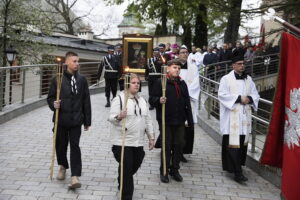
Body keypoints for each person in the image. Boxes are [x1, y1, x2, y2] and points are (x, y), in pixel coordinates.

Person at [47, 51, 91, 189]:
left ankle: (75, 176)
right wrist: (54, 104)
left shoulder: (82, 80)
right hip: (61, 119)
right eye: (74, 61)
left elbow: (86, 101)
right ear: (66, 62)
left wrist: (87, 121)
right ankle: (62, 166)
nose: (77, 64)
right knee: (60, 145)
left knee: (75, 147)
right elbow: (50, 97)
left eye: (78, 61)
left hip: (76, 120)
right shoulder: (57, 79)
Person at [109, 73, 155, 200]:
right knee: (127, 168)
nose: (137, 85)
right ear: (127, 84)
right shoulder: (119, 99)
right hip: (122, 142)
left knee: (135, 163)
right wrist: (119, 116)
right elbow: (111, 118)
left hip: (138, 141)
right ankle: (126, 196)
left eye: (138, 83)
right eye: (134, 83)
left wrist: (151, 137)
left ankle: (122, 177)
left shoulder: (142, 100)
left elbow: (148, 120)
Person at [149, 59, 193, 183]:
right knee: (167, 146)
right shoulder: (160, 82)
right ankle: (164, 171)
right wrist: (159, 100)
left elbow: (187, 103)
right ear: (168, 68)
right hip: (166, 120)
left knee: (179, 145)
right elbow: (151, 99)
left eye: (179, 68)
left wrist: (190, 120)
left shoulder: (182, 83)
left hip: (179, 120)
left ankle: (175, 169)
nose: (177, 70)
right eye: (174, 67)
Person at [218, 56, 259, 184]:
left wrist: (250, 99)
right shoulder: (226, 79)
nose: (242, 66)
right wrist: (239, 98)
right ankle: (237, 172)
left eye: (243, 63)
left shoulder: (248, 79)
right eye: (239, 64)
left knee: (241, 145)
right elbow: (222, 95)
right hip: (232, 118)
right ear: (233, 65)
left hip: (244, 117)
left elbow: (255, 94)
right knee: (233, 145)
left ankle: (238, 167)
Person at [178, 47, 199, 161]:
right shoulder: (174, 66)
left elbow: (196, 84)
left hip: (189, 100)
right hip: (176, 100)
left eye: (186, 53)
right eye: (182, 52)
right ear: (178, 54)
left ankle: (183, 151)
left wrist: (186, 95)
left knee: (186, 127)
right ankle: (174, 150)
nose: (185, 54)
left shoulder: (193, 68)